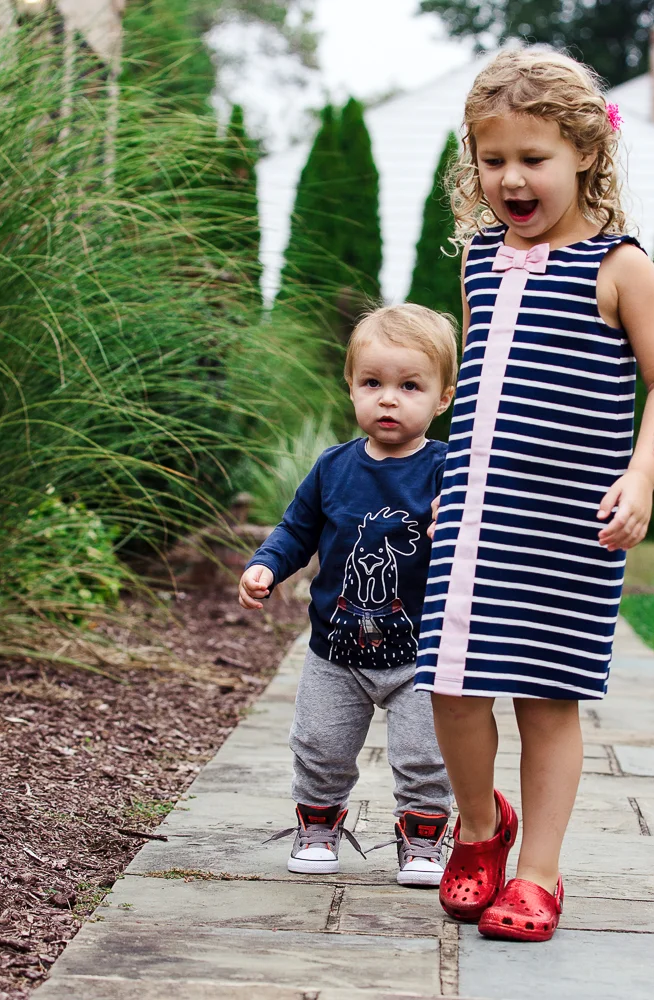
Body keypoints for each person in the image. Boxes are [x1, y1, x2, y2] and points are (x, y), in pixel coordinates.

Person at [414, 49, 654, 942]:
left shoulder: (621, 267)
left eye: (534, 158)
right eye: (494, 160)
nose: (512, 179)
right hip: (473, 516)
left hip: (568, 527)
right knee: (452, 689)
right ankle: (484, 828)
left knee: (546, 697)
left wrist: (641, 474)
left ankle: (538, 874)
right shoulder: (480, 260)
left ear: (584, 155)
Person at [239, 304, 458, 887]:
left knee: (425, 755)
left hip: (423, 651)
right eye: (373, 383)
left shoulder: (449, 468)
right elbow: (296, 530)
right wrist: (267, 565)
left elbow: (481, 532)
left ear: (442, 397)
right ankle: (318, 827)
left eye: (410, 386)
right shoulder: (333, 468)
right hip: (335, 652)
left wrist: (457, 520)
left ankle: (423, 839)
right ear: (352, 388)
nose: (389, 399)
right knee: (320, 744)